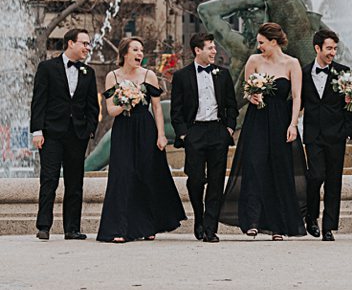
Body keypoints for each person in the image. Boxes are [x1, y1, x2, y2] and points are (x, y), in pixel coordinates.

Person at [220, 23, 307, 240]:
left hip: (280, 120)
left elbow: (297, 97)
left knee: (279, 168)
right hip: (257, 119)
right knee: (254, 165)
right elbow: (247, 90)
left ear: (274, 42)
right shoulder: (254, 61)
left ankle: (278, 225)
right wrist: (253, 96)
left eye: (261, 43)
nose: (259, 47)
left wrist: (293, 124)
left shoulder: (292, 63)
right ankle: (252, 220)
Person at [97, 37, 186, 242]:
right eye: (135, 49)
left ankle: (148, 226)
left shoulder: (149, 75)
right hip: (123, 128)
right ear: (124, 53)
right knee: (122, 174)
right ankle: (118, 228)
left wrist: (161, 135)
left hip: (145, 127)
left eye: (141, 50)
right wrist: (127, 102)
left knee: (146, 173)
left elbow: (156, 108)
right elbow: (111, 110)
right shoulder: (113, 77)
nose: (140, 54)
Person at [30, 28, 100, 240]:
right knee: (49, 179)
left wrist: (89, 131)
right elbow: (38, 101)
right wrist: (37, 131)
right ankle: (44, 226)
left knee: (75, 182)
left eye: (88, 44)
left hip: (77, 135)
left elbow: (92, 107)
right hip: (51, 133)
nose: (88, 47)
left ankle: (72, 228)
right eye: (84, 43)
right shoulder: (47, 68)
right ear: (71, 43)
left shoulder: (89, 72)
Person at [170, 32, 239, 243]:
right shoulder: (181, 76)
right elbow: (176, 110)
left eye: (214, 47)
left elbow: (231, 106)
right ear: (197, 50)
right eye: (210, 47)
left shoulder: (223, 74)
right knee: (196, 180)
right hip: (195, 133)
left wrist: (228, 128)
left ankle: (210, 228)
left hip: (218, 132)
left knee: (217, 182)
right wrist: (184, 134)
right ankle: (199, 217)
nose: (214, 51)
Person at [301, 29, 352, 242]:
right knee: (315, 176)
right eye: (329, 48)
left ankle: (329, 227)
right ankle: (311, 216)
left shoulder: (344, 72)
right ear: (317, 48)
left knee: (334, 181)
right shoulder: (304, 73)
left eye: (335, 48)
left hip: (336, 134)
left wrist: (348, 131)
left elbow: (349, 103)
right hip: (313, 134)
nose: (333, 52)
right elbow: (298, 101)